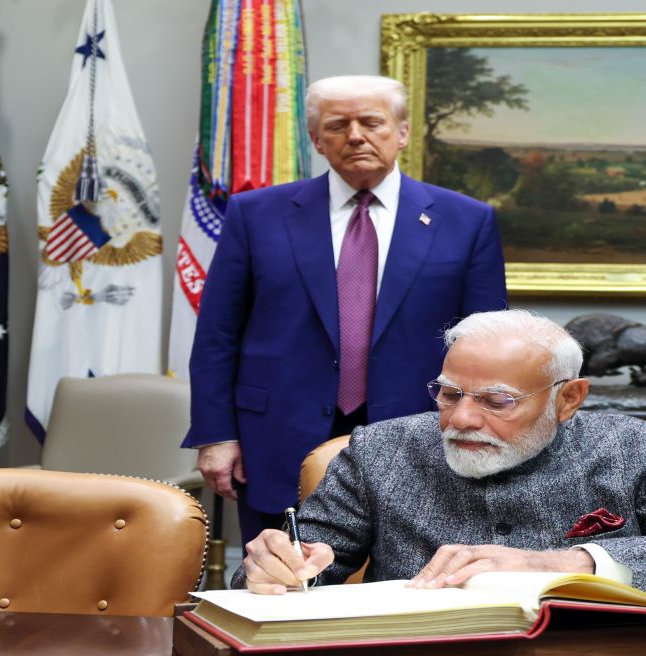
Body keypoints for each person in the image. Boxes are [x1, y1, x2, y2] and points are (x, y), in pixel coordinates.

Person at [237, 309, 646, 609]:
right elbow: (285, 572)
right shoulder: (380, 451)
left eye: (497, 401)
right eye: (449, 394)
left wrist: (571, 563)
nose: (462, 418)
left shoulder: (635, 450)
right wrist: (274, 568)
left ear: (569, 399)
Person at [184, 75, 508, 548]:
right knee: (281, 577)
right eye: (337, 125)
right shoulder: (255, 214)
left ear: (402, 132)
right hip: (275, 437)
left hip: (419, 436)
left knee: (408, 581)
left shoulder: (467, 220)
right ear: (316, 139)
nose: (355, 135)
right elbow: (218, 333)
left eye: (372, 122)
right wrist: (216, 435)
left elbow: (487, 344)